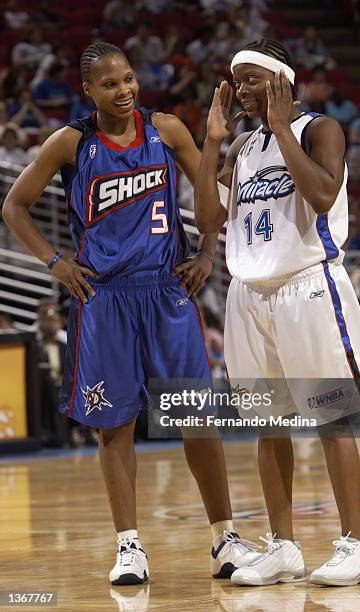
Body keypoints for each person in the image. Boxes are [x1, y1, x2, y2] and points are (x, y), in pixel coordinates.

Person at [2, 42, 260, 586]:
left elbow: (211, 196)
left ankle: (224, 537)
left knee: (195, 419)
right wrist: (55, 263)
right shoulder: (71, 142)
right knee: (114, 426)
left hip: (166, 292)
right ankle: (129, 547)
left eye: (128, 79)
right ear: (88, 91)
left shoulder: (166, 129)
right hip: (104, 298)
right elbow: (13, 206)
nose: (124, 90)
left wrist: (209, 251)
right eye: (110, 83)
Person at [194, 38, 360, 587]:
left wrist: (281, 128)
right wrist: (211, 144)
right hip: (248, 293)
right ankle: (283, 547)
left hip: (309, 286)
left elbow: (324, 195)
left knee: (332, 417)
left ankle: (355, 546)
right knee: (266, 423)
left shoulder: (318, 130)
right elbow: (209, 219)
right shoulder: (243, 148)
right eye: (238, 80)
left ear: (283, 80)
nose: (243, 90)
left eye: (253, 79)